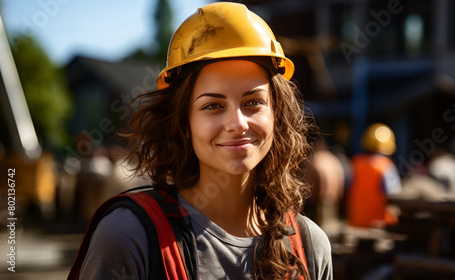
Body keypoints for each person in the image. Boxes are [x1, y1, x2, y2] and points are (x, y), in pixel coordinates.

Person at [69, 2, 333, 280]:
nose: (237, 123)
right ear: (183, 122)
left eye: (253, 102)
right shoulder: (129, 236)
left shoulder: (310, 246)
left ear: (276, 116)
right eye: (213, 106)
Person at [346, 123, 402, 228]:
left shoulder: (356, 164)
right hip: (380, 225)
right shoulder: (386, 166)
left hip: (357, 223)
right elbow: (394, 196)